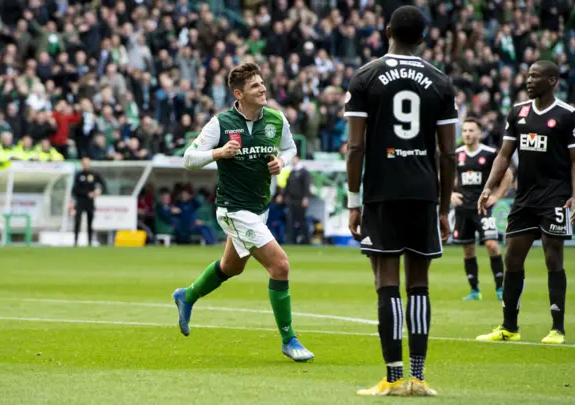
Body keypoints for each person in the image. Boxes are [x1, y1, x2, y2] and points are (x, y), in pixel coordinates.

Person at [344, 5, 457, 396]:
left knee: (386, 282)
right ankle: (420, 378)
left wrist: (353, 200)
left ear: (387, 29)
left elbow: (355, 146)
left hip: (382, 191)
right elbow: (448, 154)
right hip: (424, 192)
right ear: (423, 38)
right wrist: (444, 208)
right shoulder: (441, 82)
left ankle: (393, 379)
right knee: (420, 284)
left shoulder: (366, 77)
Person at [174, 62, 314, 362]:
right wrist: (218, 153)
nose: (263, 88)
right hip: (233, 210)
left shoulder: (276, 120)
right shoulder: (220, 123)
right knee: (280, 266)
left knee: (232, 267)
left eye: (262, 83)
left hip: (259, 208)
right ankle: (289, 339)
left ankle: (187, 296)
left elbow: (290, 150)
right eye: (255, 86)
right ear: (239, 94)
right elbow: (188, 159)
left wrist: (283, 163)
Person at [476, 60, 575, 345]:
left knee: (553, 258)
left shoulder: (568, 115)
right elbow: (503, 154)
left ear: (552, 81)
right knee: (512, 257)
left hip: (556, 199)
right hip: (524, 199)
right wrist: (489, 186)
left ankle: (557, 328)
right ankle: (509, 327)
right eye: (527, 75)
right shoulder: (517, 113)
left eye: (535, 76)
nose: (528, 80)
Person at [452, 118, 513, 301]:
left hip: (484, 209)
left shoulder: (489, 153)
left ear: (479, 133)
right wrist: (449, 195)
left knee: (491, 245)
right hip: (463, 209)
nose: (467, 134)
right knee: (468, 249)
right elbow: (442, 175)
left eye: (471, 131)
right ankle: (474, 290)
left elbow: (508, 175)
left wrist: (496, 196)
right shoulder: (457, 154)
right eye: (464, 131)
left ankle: (500, 289)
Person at [72, 157, 106, 247]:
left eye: (87, 163)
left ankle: (90, 241)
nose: (86, 165)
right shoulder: (79, 175)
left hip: (90, 202)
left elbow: (102, 185)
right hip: (80, 201)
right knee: (77, 221)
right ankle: (75, 241)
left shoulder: (94, 174)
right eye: (84, 163)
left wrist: (99, 191)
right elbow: (75, 190)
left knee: (90, 221)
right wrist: (87, 193)